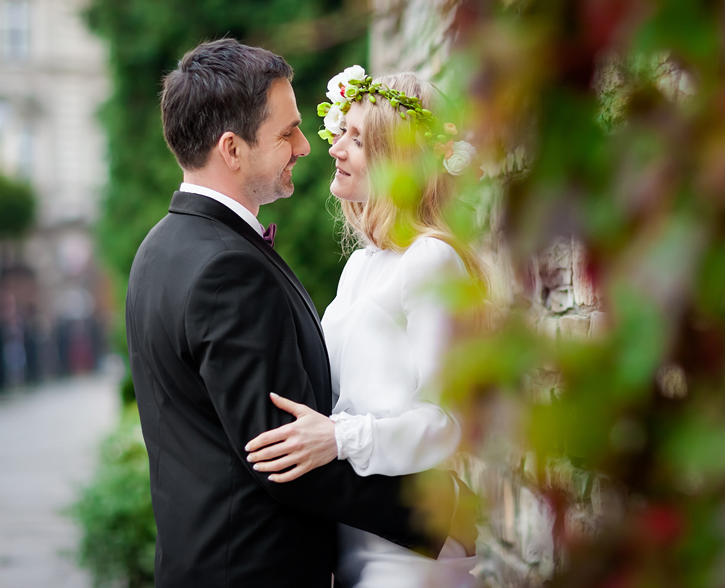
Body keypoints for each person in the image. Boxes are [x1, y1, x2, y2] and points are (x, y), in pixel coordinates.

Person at [126, 39, 475, 588]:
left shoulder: (159, 248)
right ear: (232, 149)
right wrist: (444, 511)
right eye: (288, 131)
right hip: (254, 567)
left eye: (352, 137)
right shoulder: (227, 267)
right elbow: (278, 453)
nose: (312, 146)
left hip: (369, 552)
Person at [244, 67, 484, 587]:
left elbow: (446, 422)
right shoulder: (362, 266)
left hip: (410, 545)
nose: (334, 148)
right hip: (351, 533)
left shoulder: (432, 260)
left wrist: (339, 439)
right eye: (341, 133)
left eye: (357, 139)